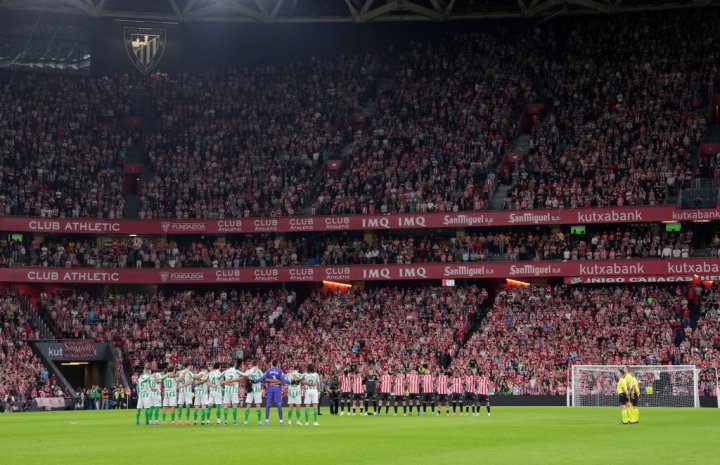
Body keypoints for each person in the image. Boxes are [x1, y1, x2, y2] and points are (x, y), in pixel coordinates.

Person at [256, 360, 289, 426]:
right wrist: (290, 382)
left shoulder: (268, 371)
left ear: (272, 364)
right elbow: (283, 380)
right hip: (277, 390)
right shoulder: (280, 371)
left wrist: (255, 380)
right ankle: (281, 421)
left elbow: (262, 378)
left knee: (268, 405)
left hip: (270, 389)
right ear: (277, 364)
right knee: (279, 405)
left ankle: (267, 421)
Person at [221, 360, 244, 426]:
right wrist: (236, 380)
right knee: (235, 405)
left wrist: (226, 382)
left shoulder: (226, 371)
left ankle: (225, 421)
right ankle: (234, 421)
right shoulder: (236, 371)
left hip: (227, 390)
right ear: (234, 364)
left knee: (226, 405)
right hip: (234, 390)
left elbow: (221, 379)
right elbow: (242, 377)